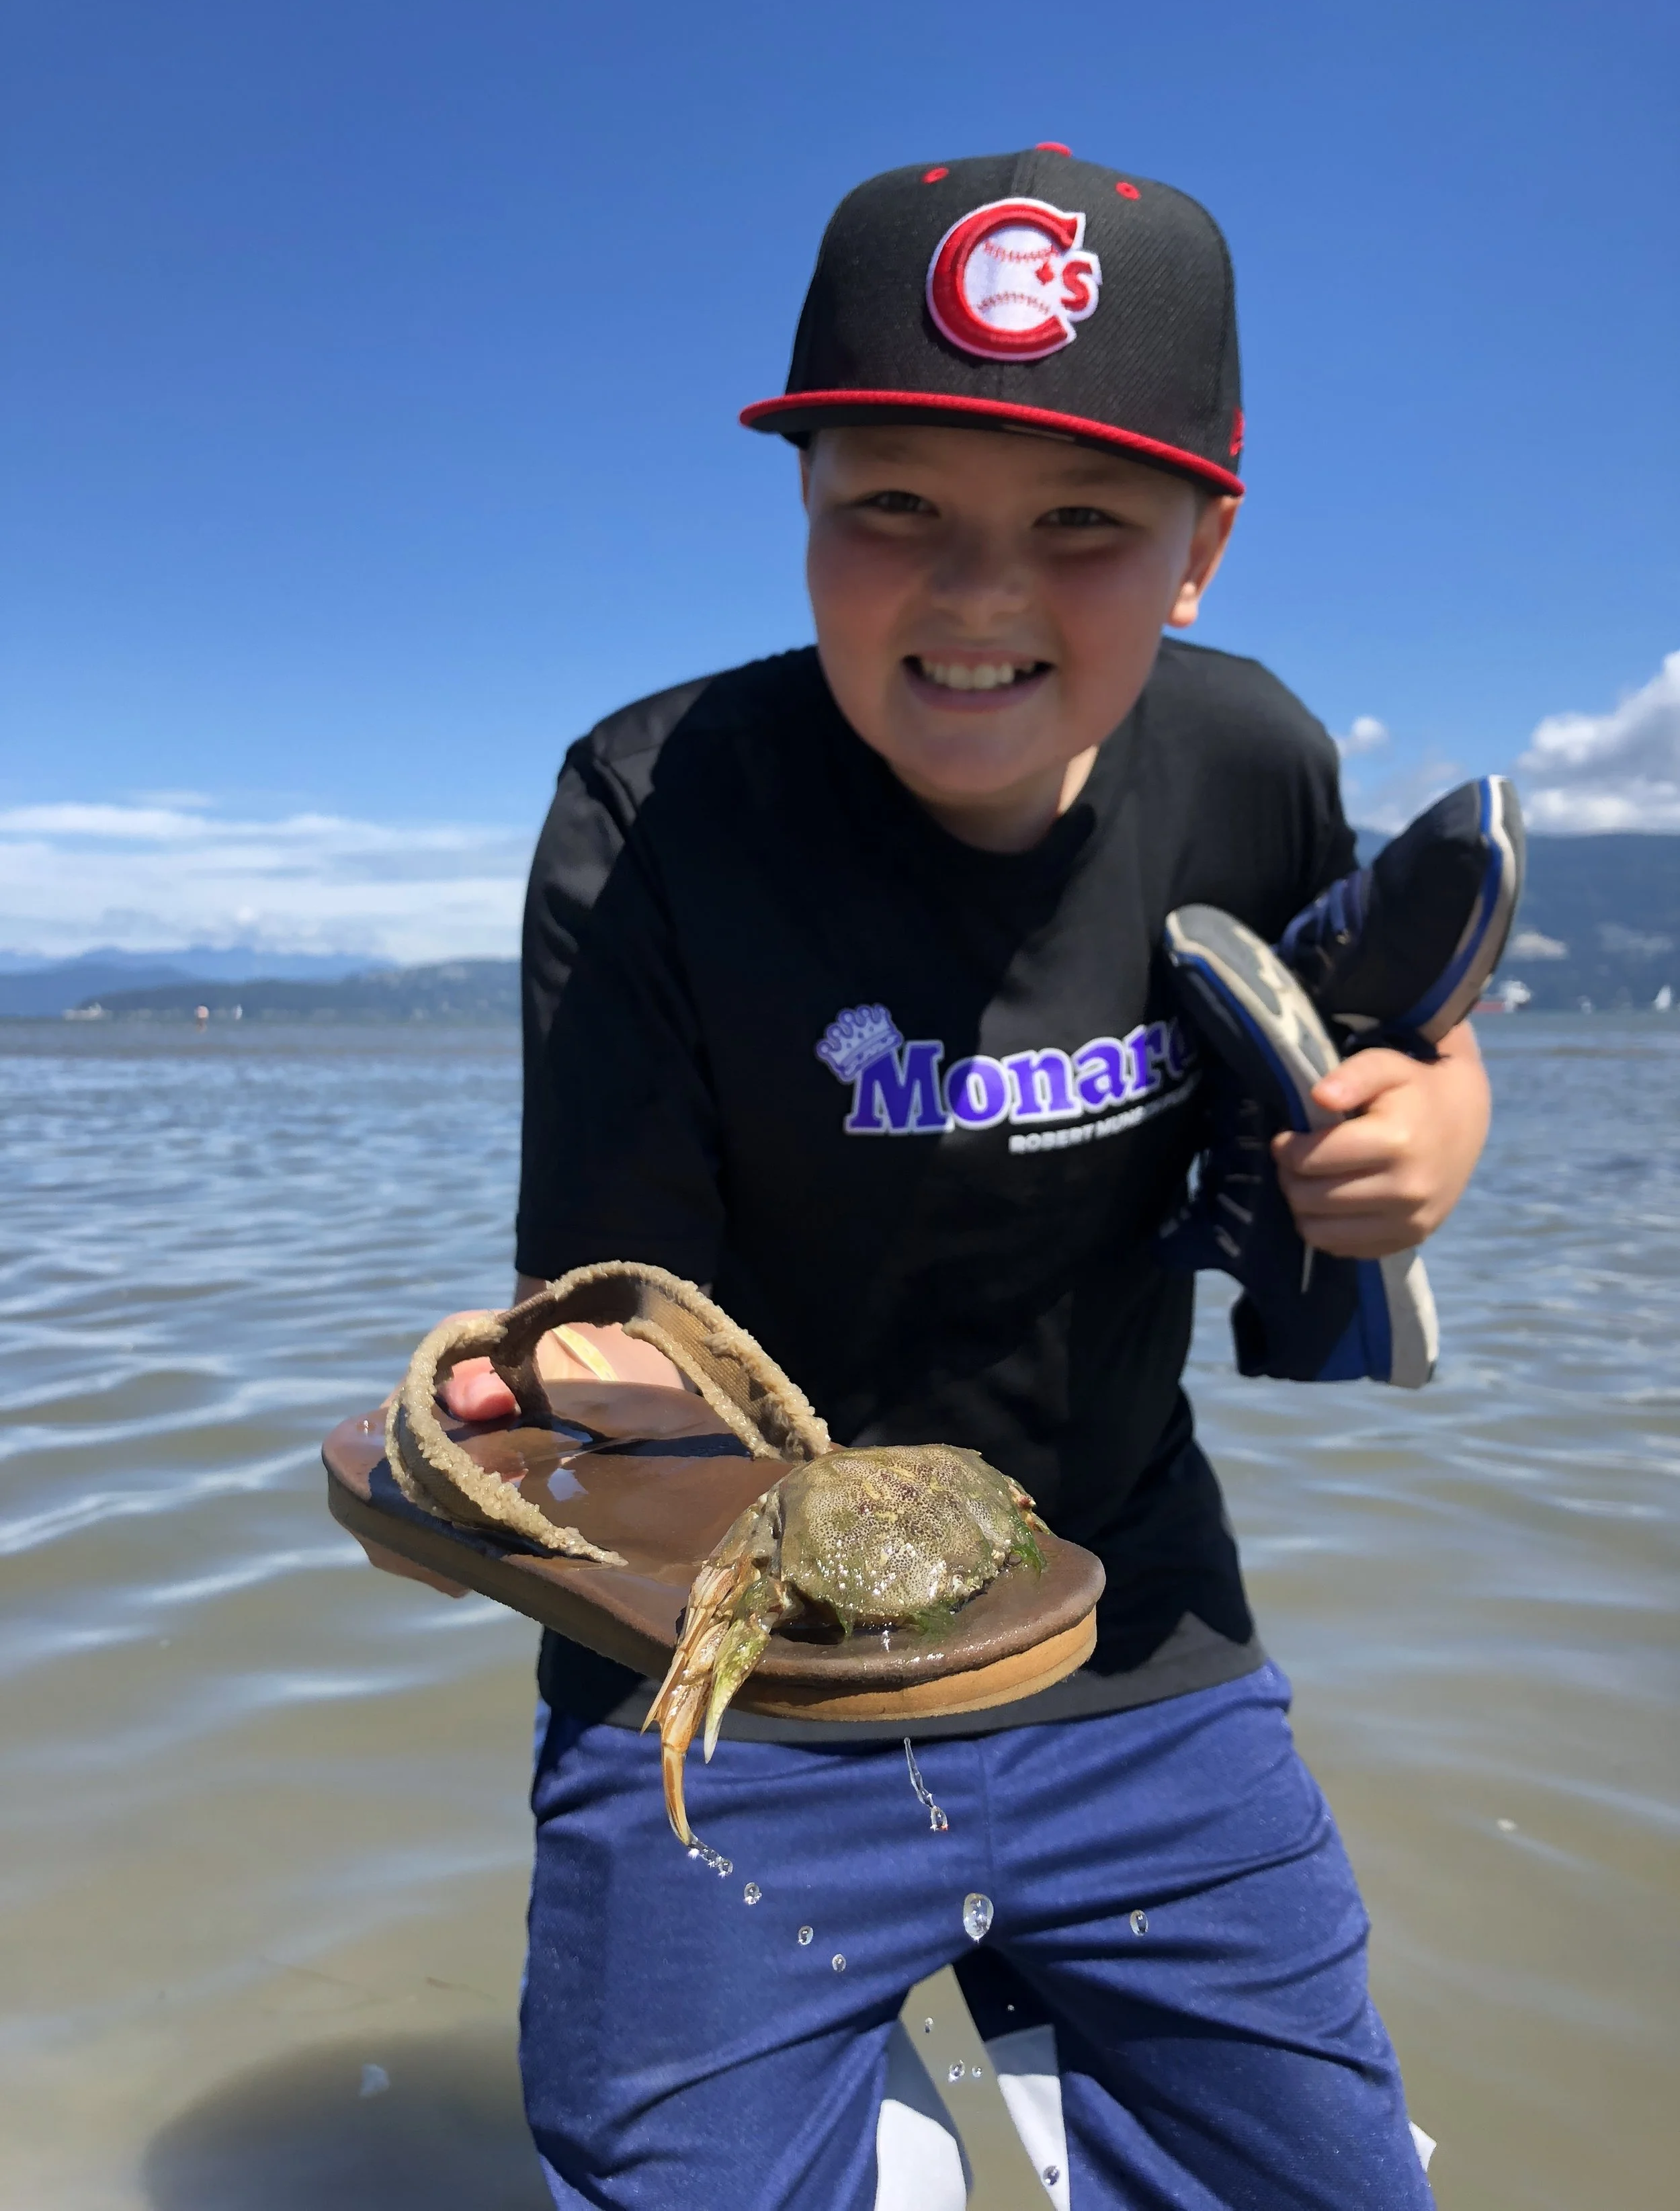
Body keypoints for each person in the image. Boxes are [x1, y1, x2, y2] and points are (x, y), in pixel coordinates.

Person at [357, 147, 1489, 2208]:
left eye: (1081, 524)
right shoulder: (653, 805)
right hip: (731, 1664)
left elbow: (1378, 1022)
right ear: (802, 505)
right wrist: (534, 1416)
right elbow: (618, 1306)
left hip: (1130, 1630)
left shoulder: (1248, 761)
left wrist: (1431, 1123)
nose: (978, 591)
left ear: (1200, 544)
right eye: (894, 504)